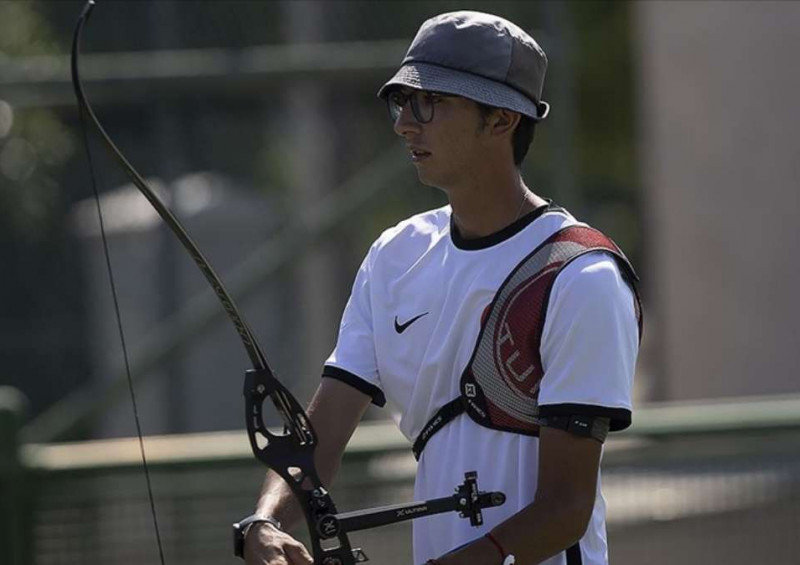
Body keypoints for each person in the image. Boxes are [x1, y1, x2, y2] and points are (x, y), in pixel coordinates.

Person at [241, 11, 641, 565]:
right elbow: (321, 435)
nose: (406, 123)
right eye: (401, 103)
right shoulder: (393, 256)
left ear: (501, 119)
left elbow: (567, 506)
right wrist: (265, 519)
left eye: (429, 103)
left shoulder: (582, 276)